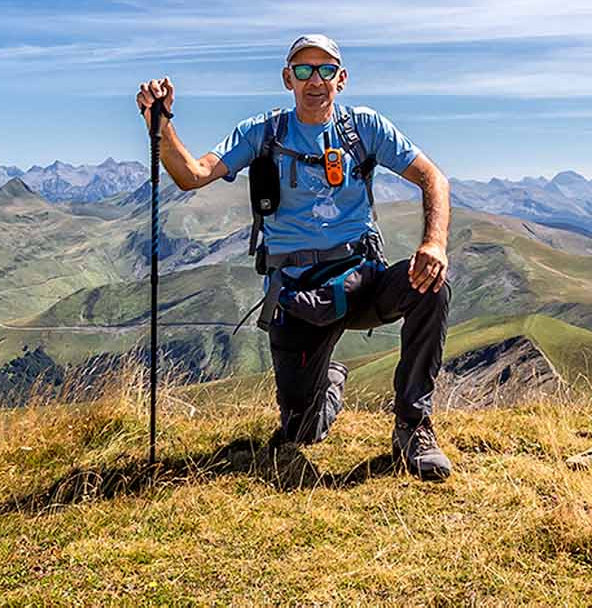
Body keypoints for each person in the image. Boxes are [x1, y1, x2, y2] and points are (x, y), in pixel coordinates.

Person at [134, 34, 454, 481]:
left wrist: (434, 243)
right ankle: (328, 383)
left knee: (431, 286)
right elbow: (193, 174)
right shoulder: (263, 133)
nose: (315, 80)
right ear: (288, 78)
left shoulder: (364, 128)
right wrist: (162, 126)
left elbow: (433, 179)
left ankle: (413, 426)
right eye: (304, 70)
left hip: (362, 280)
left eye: (325, 70)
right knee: (302, 431)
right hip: (297, 295)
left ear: (341, 79)